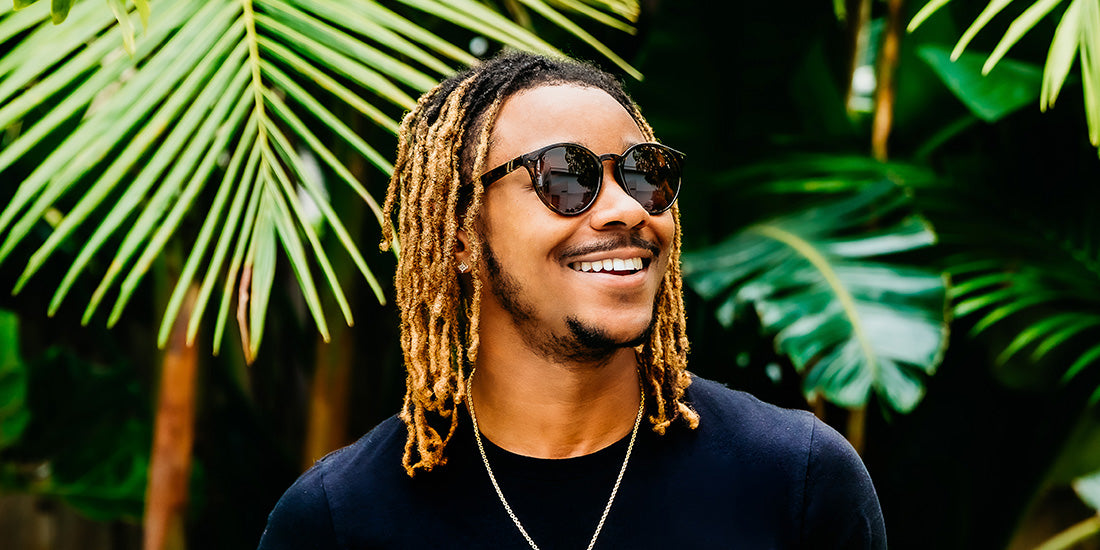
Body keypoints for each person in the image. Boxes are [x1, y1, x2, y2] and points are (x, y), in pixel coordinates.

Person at [257, 51, 887, 549]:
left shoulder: (798, 484)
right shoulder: (338, 522)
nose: (625, 209)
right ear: (459, 234)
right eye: (566, 177)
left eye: (645, 173)